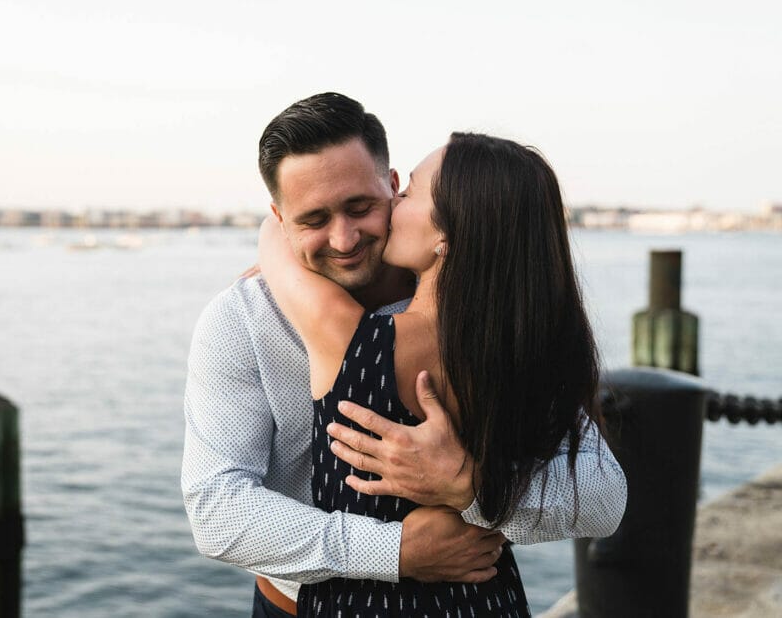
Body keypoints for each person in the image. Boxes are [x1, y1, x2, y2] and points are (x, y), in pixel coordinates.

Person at [181, 93, 627, 617]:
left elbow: (600, 495)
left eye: (360, 207)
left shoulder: (483, 314)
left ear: (393, 188)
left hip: (467, 595)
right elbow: (217, 511)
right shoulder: (242, 320)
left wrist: (469, 484)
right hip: (297, 605)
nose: (343, 239)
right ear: (280, 219)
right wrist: (396, 551)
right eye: (313, 220)